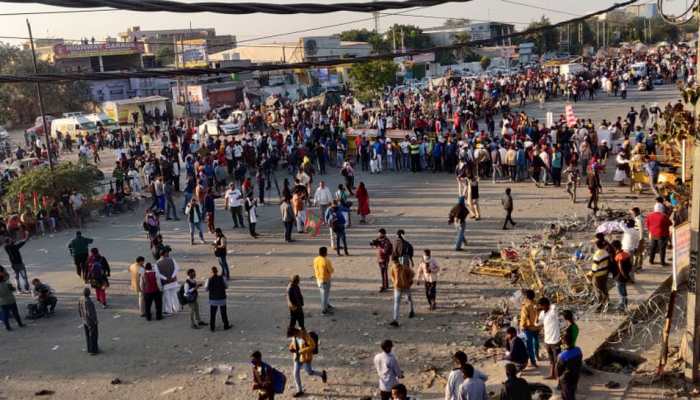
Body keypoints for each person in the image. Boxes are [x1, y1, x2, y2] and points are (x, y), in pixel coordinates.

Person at [288, 327, 327, 397]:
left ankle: (322, 374)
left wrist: (302, 351)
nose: (293, 337)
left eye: (293, 335)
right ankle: (299, 390)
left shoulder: (305, 335)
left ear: (296, 332)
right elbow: (293, 343)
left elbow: (312, 346)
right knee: (295, 373)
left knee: (309, 372)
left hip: (305, 357)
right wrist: (291, 347)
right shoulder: (294, 336)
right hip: (297, 357)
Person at [537, 297, 561, 380]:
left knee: (557, 360)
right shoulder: (542, 313)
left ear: (546, 305)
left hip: (555, 340)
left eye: (541, 306)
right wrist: (537, 315)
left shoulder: (553, 311)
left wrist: (549, 305)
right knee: (551, 360)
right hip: (547, 340)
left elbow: (554, 306)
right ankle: (552, 375)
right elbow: (537, 324)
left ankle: (558, 377)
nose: (540, 308)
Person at [556, 334, 583, 400]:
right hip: (575, 375)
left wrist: (559, 378)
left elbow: (559, 370)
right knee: (572, 392)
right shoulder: (578, 349)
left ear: (564, 343)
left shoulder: (562, 355)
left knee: (567, 395)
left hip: (566, 378)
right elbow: (580, 361)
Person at [390, 258, 415, 327]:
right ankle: (395, 319)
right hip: (397, 288)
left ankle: (411, 310)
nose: (395, 265)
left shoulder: (404, 268)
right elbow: (392, 276)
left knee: (408, 299)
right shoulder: (392, 268)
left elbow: (412, 273)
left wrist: (408, 281)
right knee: (396, 303)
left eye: (396, 264)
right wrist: (394, 282)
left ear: (398, 262)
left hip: (405, 286)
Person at [205, 266, 231, 331]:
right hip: (222, 298)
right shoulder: (222, 278)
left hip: (213, 299)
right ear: (217, 271)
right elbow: (226, 286)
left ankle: (212, 327)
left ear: (211, 272)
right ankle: (226, 325)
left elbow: (206, 289)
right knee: (223, 313)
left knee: (213, 314)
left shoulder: (209, 279)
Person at [156, 246, 180, 314]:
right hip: (173, 282)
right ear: (164, 254)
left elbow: (158, 274)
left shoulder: (157, 263)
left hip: (166, 283)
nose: (168, 254)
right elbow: (177, 268)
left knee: (167, 297)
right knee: (174, 296)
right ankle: (176, 309)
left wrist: (166, 278)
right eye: (167, 252)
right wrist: (172, 277)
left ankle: (169, 310)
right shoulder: (172, 260)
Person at [518, 289, 539, 368]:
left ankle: (533, 362)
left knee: (529, 346)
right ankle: (537, 356)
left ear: (526, 297)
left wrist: (522, 327)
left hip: (528, 328)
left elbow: (523, 318)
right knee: (536, 342)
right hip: (536, 327)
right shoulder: (536, 304)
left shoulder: (526, 306)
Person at [611, 239, 632, 312]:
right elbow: (630, 265)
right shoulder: (626, 254)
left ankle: (622, 307)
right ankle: (624, 306)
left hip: (619, 277)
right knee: (624, 292)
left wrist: (625, 276)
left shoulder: (618, 256)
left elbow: (620, 268)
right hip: (624, 277)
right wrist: (628, 276)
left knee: (621, 293)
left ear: (614, 248)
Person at [313, 246, 334, 315]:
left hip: (318, 278)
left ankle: (327, 305)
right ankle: (324, 310)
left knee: (324, 294)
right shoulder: (326, 261)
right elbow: (331, 270)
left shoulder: (316, 259)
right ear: (325, 253)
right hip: (325, 279)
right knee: (325, 295)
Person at [78, 287, 99, 355]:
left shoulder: (81, 299)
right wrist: (95, 320)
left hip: (84, 320)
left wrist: (81, 316)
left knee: (87, 335)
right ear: (89, 293)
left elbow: (79, 309)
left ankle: (89, 349)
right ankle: (93, 350)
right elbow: (90, 313)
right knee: (93, 335)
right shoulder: (89, 301)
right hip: (90, 321)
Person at [591, 240, 610, 312]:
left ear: (597, 246)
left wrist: (591, 274)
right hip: (604, 273)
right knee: (604, 288)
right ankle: (607, 302)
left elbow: (595, 267)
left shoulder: (597, 254)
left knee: (598, 290)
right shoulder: (606, 252)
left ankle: (599, 306)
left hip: (598, 274)